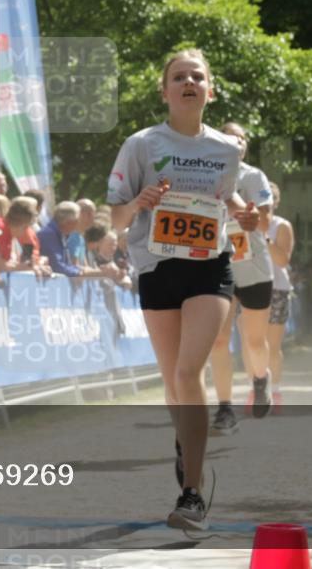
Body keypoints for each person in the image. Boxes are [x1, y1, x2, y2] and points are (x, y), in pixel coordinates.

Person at [108, 48, 259, 531]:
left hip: (208, 267)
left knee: (189, 370)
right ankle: (185, 440)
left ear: (210, 91)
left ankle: (191, 494)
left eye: (197, 76)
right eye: (179, 76)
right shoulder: (141, 145)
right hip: (156, 267)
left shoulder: (226, 149)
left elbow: (227, 194)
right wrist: (139, 201)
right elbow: (115, 216)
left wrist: (243, 214)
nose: (188, 82)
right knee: (174, 380)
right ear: (165, 90)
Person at [207, 122, 276, 435]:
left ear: (246, 145)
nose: (236, 141)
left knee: (253, 341)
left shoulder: (253, 176)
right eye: (228, 137)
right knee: (219, 340)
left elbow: (265, 221)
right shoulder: (205, 172)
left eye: (241, 138)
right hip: (215, 264)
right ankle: (224, 408)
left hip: (254, 267)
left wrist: (246, 217)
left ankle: (260, 378)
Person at [264, 182, 294, 408]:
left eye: (270, 199)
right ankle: (257, 389)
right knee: (252, 344)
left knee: (272, 346)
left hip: (277, 289)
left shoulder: (281, 226)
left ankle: (275, 391)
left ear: (276, 202)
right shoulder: (243, 224)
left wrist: (263, 238)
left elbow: (283, 260)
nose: (266, 204)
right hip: (250, 286)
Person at [38, 201, 111, 278]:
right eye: (77, 221)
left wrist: (82, 270)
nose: (77, 224)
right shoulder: (49, 235)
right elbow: (57, 266)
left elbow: (67, 264)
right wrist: (80, 272)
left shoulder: (59, 234)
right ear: (69, 222)